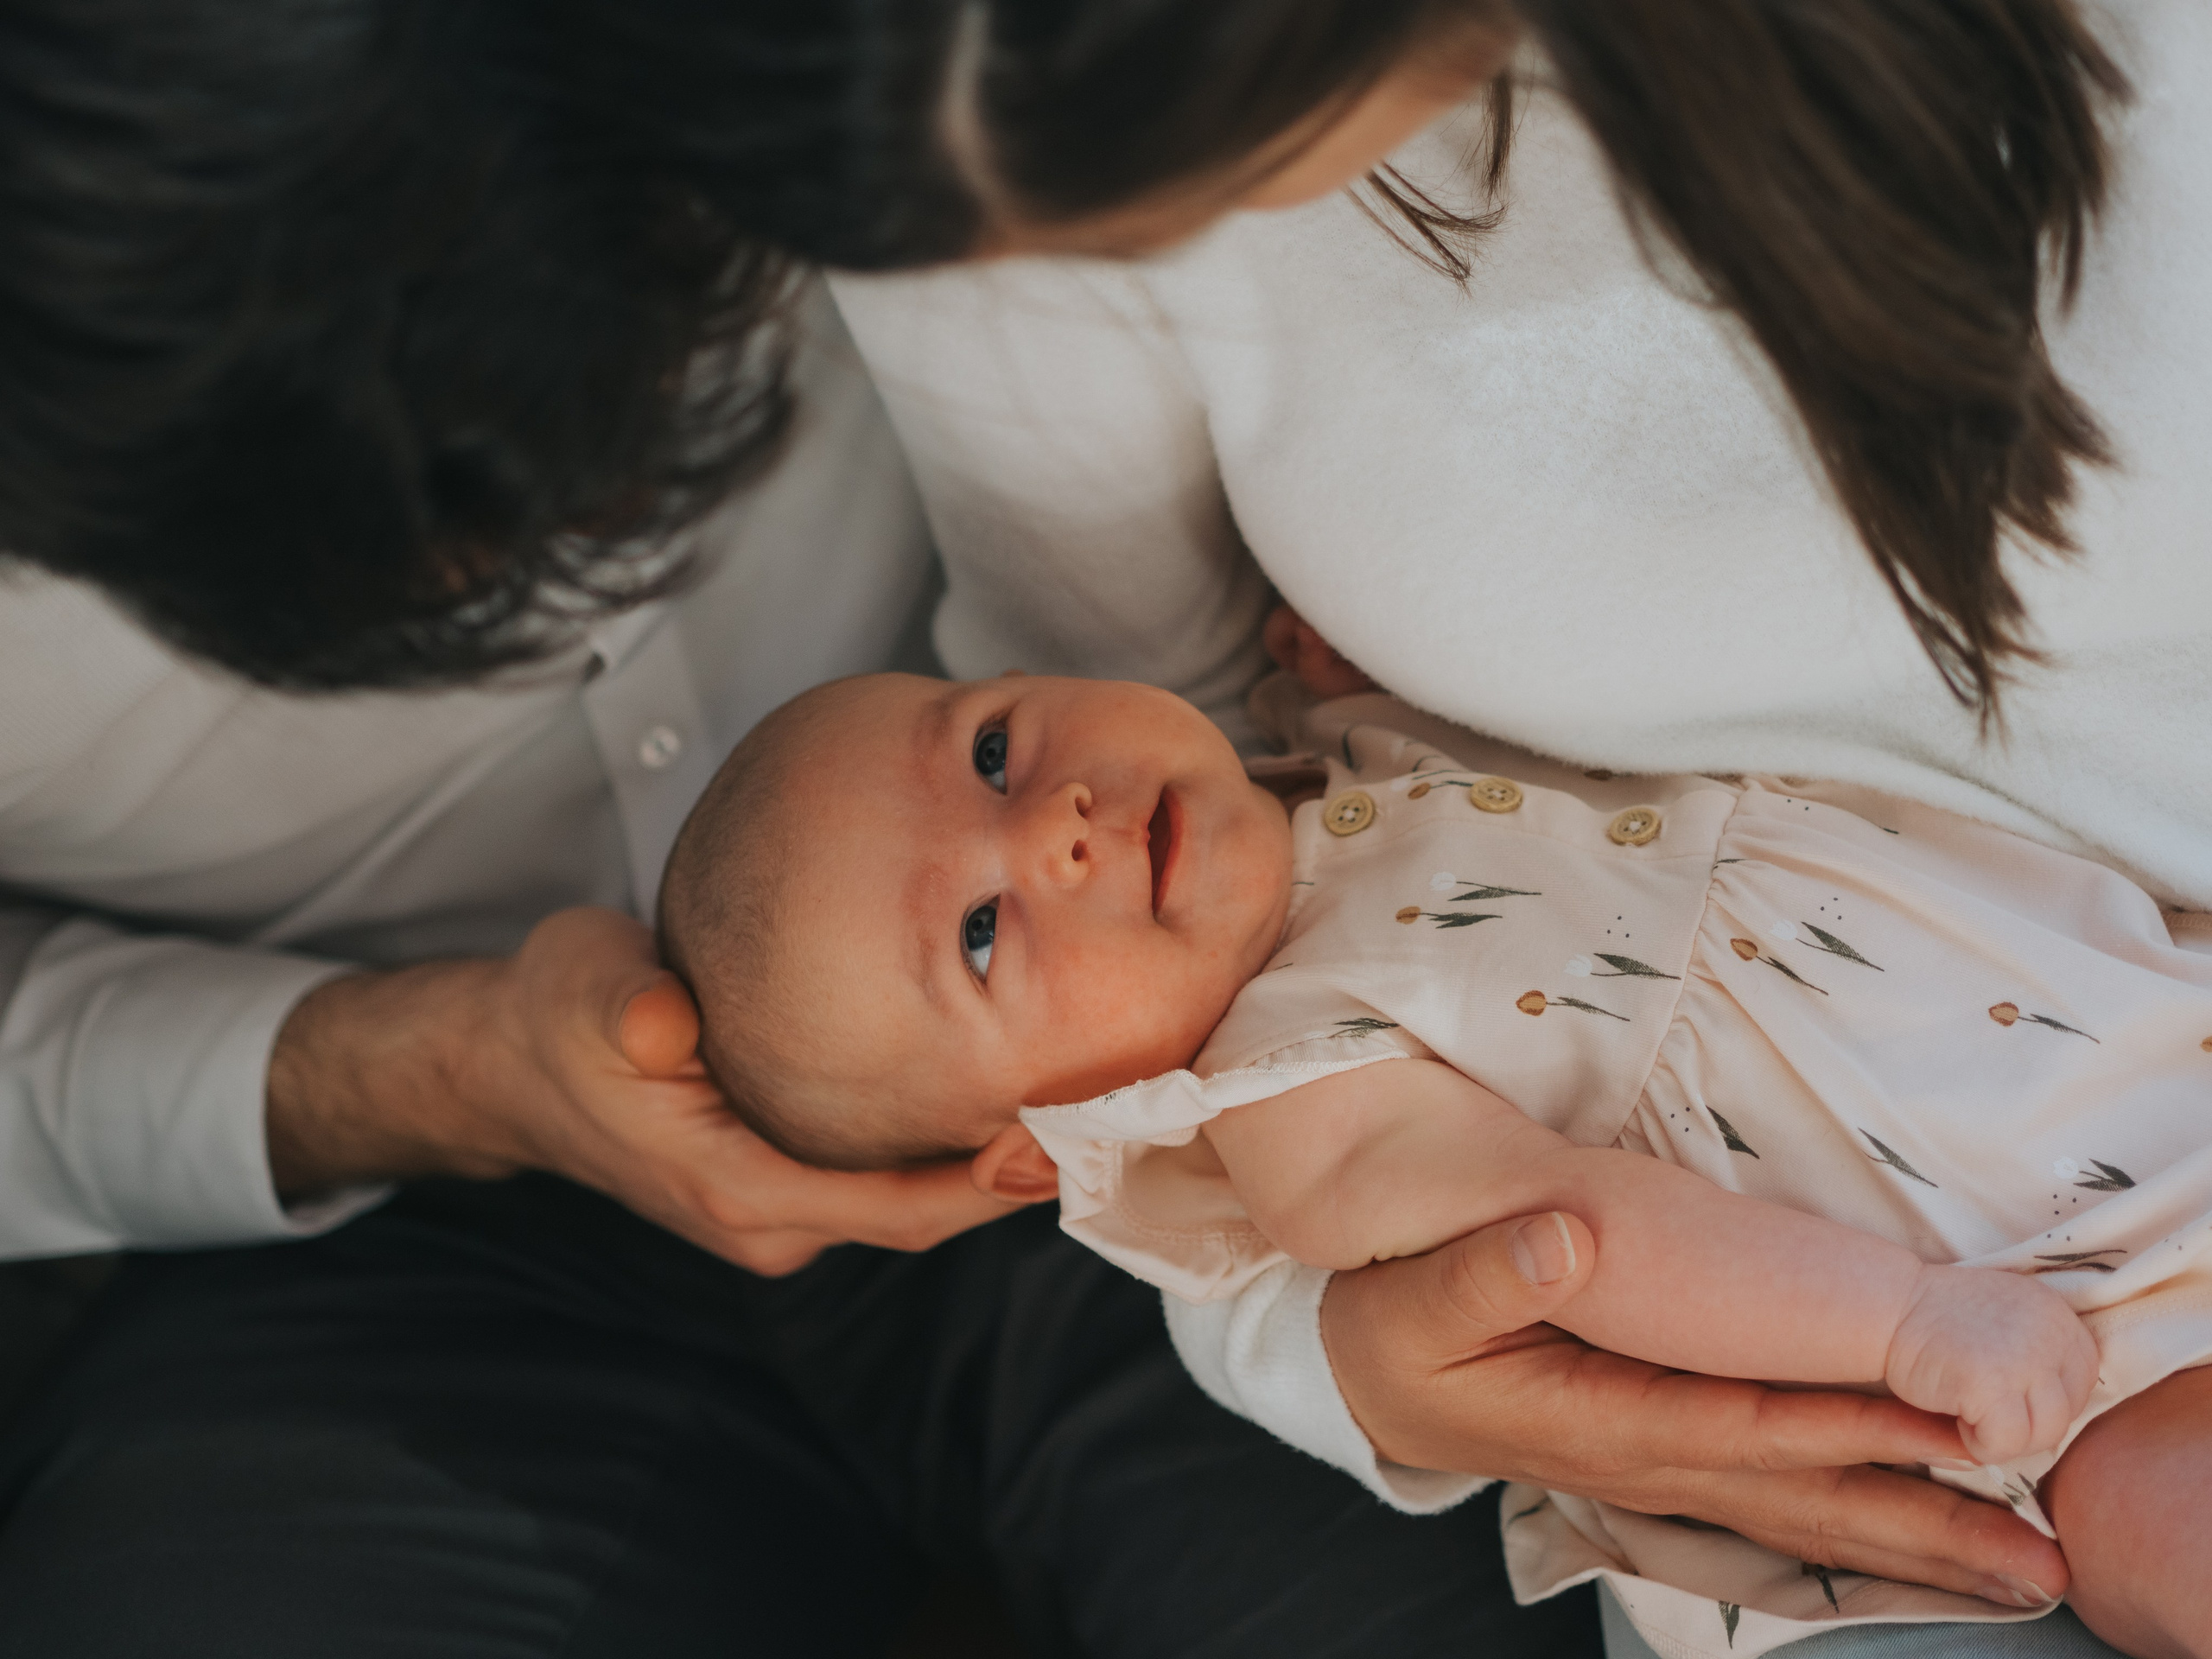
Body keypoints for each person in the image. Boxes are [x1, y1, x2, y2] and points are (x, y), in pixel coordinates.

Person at [0, 0, 2165, 1652]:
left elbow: (1186, 744)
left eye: (989, 757)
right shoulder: (1036, 210)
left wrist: (1330, 1321)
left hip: (1138, 1162)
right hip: (387, 1182)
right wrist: (412, 1070)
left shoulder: (988, 154)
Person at [651, 645, 2212, 1656]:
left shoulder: (1334, 761)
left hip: (2122, 1064)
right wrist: (1911, 1324)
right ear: (1038, 1151)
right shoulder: (1295, 1107)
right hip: (2007, 1319)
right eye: (984, 934)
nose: (1051, 824)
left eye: (989, 751)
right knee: (2162, 1530)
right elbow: (1577, 1227)